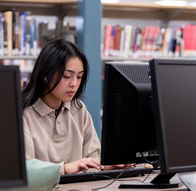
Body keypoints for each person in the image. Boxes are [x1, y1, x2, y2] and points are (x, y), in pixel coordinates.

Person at [22, 39, 128, 175]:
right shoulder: (23, 115)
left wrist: (108, 165)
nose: (74, 84)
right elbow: (25, 171)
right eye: (67, 76)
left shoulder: (78, 108)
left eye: (79, 77)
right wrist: (65, 169)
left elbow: (92, 159)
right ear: (45, 75)